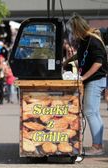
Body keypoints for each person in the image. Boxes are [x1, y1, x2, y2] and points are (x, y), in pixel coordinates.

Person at [64, 13, 107, 155]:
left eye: (72, 30)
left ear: (77, 28)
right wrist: (68, 60)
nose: (72, 34)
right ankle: (98, 145)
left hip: (95, 80)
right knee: (94, 113)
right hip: (94, 80)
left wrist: (83, 78)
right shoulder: (86, 39)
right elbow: (83, 55)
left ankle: (97, 147)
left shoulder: (93, 40)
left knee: (90, 112)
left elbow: (98, 62)